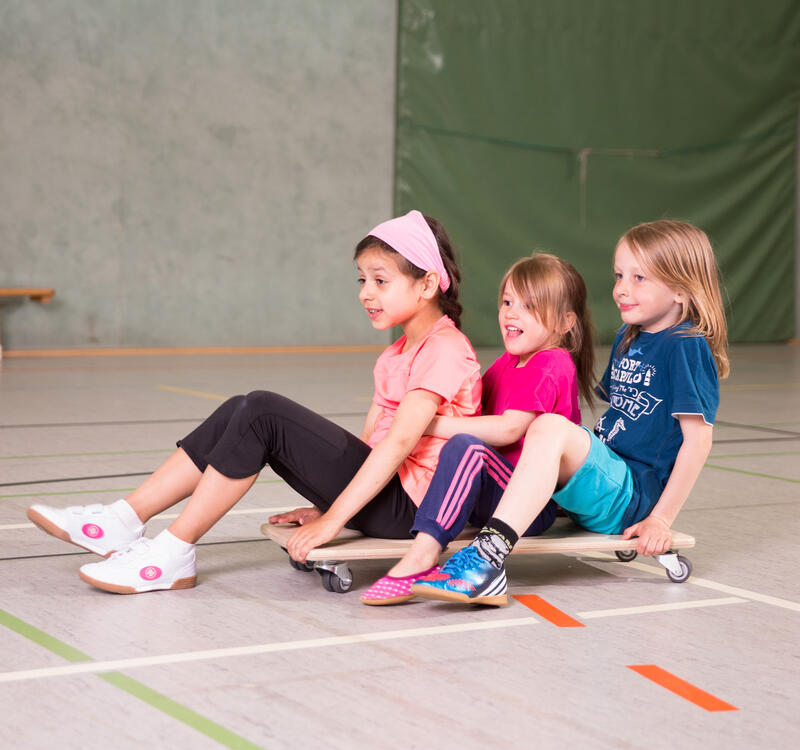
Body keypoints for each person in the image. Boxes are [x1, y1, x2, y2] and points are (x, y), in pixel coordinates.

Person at [27, 210, 482, 594]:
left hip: (416, 509)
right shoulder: (397, 353)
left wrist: (333, 521)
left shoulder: (444, 348)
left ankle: (173, 551)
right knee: (240, 408)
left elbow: (400, 443)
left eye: (381, 281)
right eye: (363, 279)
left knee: (262, 411)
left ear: (426, 286)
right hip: (388, 494)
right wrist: (330, 504)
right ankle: (125, 517)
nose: (365, 292)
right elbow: (368, 442)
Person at [413, 219, 729, 606]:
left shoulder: (685, 344)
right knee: (548, 431)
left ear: (681, 289)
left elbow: (698, 442)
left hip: (633, 494)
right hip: (607, 475)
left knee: (549, 425)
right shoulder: (629, 336)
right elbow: (618, 419)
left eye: (639, 278)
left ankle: (487, 559)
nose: (621, 289)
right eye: (618, 275)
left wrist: (661, 518)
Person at [360, 252, 595, 605]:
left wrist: (429, 423)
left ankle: (422, 556)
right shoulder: (508, 362)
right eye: (507, 301)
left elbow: (507, 431)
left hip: (527, 506)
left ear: (565, 323)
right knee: (457, 446)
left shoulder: (552, 362)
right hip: (494, 490)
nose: (511, 313)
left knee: (464, 446)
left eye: (529, 306)